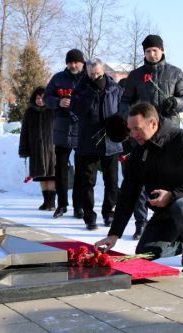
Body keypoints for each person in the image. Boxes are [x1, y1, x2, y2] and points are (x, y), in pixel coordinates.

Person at [95, 102, 183, 276]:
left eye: (137, 129)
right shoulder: (139, 153)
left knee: (182, 206)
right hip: (167, 208)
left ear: (153, 123)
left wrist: (173, 195)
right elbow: (128, 194)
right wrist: (114, 233)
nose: (133, 135)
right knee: (145, 252)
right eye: (130, 129)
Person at [71, 58, 123, 230]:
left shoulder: (115, 88)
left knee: (112, 182)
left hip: (111, 142)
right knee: (88, 183)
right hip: (88, 142)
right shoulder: (80, 88)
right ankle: (89, 217)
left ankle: (108, 213)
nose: (95, 77)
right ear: (87, 72)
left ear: (104, 71)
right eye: (92, 74)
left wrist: (121, 126)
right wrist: (91, 91)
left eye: (98, 74)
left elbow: (122, 109)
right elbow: (76, 110)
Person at [44, 49, 85, 219]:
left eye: (76, 62)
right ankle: (62, 204)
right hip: (62, 128)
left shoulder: (88, 77)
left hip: (82, 129)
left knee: (82, 170)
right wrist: (58, 101)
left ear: (82, 63)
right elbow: (46, 98)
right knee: (60, 169)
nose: (73, 65)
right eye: (70, 62)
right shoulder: (58, 78)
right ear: (66, 63)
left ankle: (79, 206)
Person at [119, 34, 183, 126]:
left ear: (161, 50)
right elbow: (125, 101)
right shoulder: (135, 75)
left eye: (154, 50)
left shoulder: (176, 73)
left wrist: (175, 102)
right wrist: (130, 119)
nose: (151, 54)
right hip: (143, 127)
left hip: (169, 128)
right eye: (148, 51)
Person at [118, 78, 148, 240]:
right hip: (127, 148)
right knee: (134, 187)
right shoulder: (120, 106)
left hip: (143, 146)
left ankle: (145, 221)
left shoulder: (142, 106)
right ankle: (140, 222)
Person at [19, 87, 56, 211]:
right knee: (41, 176)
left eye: (42, 98)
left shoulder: (52, 110)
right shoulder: (29, 112)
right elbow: (24, 132)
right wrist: (24, 149)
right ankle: (45, 201)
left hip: (52, 149)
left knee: (51, 176)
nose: (40, 100)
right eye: (38, 98)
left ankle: (52, 202)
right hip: (36, 150)